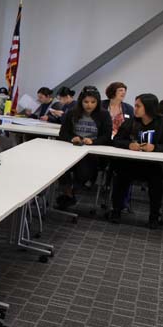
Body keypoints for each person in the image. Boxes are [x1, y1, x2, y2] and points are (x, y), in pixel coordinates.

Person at [110, 93, 163, 229]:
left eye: (138, 106)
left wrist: (155, 147)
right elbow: (116, 141)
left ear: (149, 108)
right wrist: (129, 145)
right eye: (135, 105)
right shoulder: (131, 122)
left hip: (153, 166)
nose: (135, 108)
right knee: (120, 175)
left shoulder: (161, 124)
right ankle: (116, 211)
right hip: (131, 163)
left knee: (157, 182)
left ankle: (154, 217)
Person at [55, 86, 112, 209]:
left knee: (84, 170)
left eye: (93, 102)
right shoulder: (72, 113)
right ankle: (68, 193)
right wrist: (72, 138)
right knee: (59, 167)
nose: (89, 105)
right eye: (86, 102)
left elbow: (107, 136)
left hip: (92, 153)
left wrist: (93, 141)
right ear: (81, 101)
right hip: (72, 149)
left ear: (98, 102)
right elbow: (63, 133)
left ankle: (71, 192)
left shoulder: (104, 114)